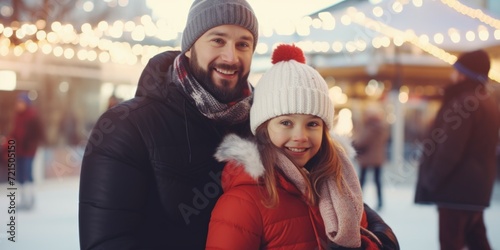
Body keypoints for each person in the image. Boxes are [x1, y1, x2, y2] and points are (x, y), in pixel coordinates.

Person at [78, 0, 259, 249]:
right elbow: (108, 241)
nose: (231, 57)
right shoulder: (126, 127)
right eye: (218, 40)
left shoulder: (263, 126)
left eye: (243, 44)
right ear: (189, 47)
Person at [206, 44, 398, 249]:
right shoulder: (242, 203)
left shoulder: (341, 189)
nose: (300, 136)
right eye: (286, 123)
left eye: (312, 124)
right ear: (263, 128)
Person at [415, 49, 500, 250]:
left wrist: (432, 180)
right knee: (477, 240)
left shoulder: (463, 101)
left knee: (451, 243)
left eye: (456, 71)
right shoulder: (487, 102)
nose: (452, 76)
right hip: (475, 191)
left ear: (464, 74)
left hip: (456, 190)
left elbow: (450, 149)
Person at [9, 92, 45, 210]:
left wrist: (31, 144)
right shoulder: (17, 116)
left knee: (27, 173)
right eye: (18, 102)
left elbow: (39, 133)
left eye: (21, 102)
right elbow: (14, 132)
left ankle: (30, 198)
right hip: (19, 150)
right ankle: (23, 198)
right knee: (20, 175)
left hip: (28, 151)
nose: (19, 105)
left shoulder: (32, 116)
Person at [353, 105, 389, 210]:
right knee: (377, 181)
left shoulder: (370, 127)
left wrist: (354, 143)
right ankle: (380, 201)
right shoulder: (382, 127)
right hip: (378, 157)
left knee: (362, 181)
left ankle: (358, 200)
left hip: (367, 157)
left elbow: (362, 142)